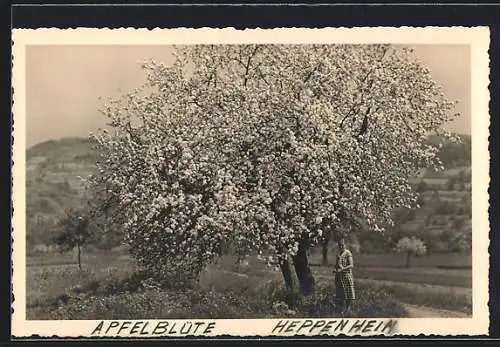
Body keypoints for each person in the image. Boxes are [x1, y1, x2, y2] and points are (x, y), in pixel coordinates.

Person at [333, 238, 356, 316]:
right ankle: (341, 309)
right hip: (339, 276)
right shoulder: (338, 254)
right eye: (339, 245)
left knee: (348, 292)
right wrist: (335, 269)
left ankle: (347, 309)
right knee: (341, 293)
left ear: (345, 245)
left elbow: (351, 265)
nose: (341, 246)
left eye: (342, 245)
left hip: (346, 275)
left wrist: (342, 269)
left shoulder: (347, 253)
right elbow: (336, 264)